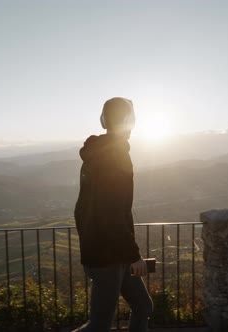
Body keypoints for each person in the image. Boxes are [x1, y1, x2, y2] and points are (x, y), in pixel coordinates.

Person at [73, 97, 153, 332]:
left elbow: (82, 208)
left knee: (143, 307)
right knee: (99, 324)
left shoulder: (96, 153)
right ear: (130, 121)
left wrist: (89, 240)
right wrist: (134, 255)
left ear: (104, 120)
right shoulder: (115, 156)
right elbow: (112, 213)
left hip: (108, 251)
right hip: (108, 255)